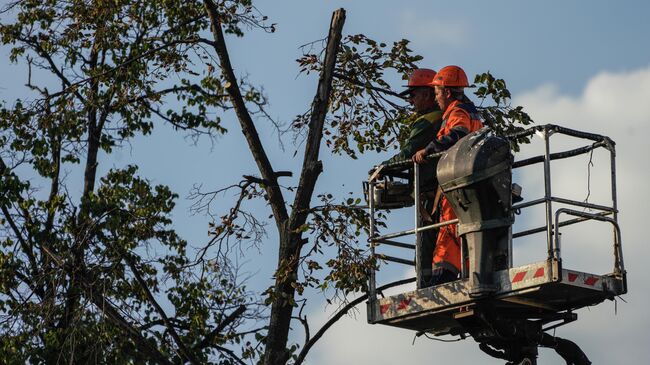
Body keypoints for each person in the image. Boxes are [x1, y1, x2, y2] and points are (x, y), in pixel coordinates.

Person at [412, 65, 483, 286]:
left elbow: (458, 133)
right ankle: (465, 272)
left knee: (448, 231)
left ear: (448, 92)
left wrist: (429, 149)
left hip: (456, 183)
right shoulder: (471, 111)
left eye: (437, 93)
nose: (436, 98)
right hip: (468, 182)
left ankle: (442, 277)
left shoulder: (457, 111)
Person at [373, 68, 443, 288]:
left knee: (425, 241)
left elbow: (407, 153)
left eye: (413, 95)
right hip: (444, 189)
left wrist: (384, 168)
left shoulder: (428, 121)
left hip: (431, 192)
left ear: (428, 94)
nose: (411, 101)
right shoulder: (446, 117)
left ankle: (426, 285)